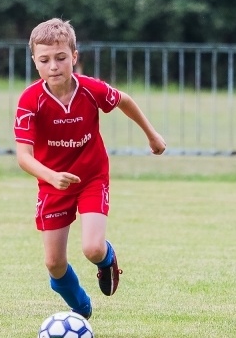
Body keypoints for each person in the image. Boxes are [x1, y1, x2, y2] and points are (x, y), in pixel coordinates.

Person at [14, 18, 166, 319]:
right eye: (44, 60)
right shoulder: (30, 101)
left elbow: (124, 100)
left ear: (74, 56)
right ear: (34, 61)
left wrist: (152, 134)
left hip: (92, 177)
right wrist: (51, 176)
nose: (53, 66)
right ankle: (80, 306)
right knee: (54, 263)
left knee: (92, 249)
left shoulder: (89, 90)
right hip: (53, 184)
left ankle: (106, 261)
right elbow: (23, 156)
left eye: (60, 58)